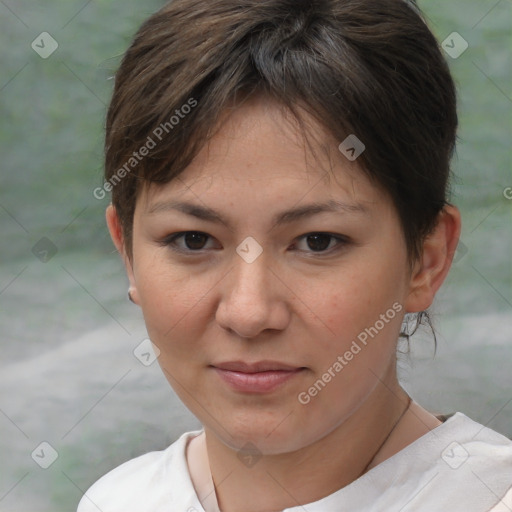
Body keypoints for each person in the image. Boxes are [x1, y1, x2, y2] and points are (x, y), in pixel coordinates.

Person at [78, 0, 512, 510]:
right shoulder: (118, 502)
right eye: (193, 240)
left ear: (427, 259)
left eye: (317, 241)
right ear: (127, 251)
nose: (249, 312)